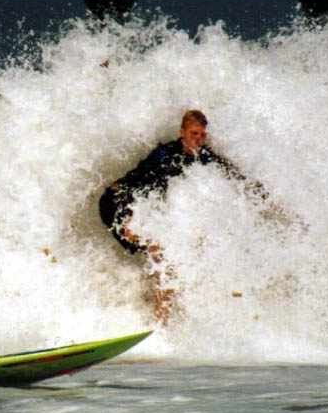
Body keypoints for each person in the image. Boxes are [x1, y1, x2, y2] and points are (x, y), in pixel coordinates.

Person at [99, 110, 256, 323]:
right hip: (116, 204)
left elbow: (230, 173)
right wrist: (128, 221)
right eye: (193, 134)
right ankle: (160, 321)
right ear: (182, 132)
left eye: (202, 135)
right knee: (158, 252)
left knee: (163, 256)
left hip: (135, 208)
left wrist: (258, 195)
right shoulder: (164, 155)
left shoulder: (202, 154)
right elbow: (135, 190)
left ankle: (155, 311)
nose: (198, 139)